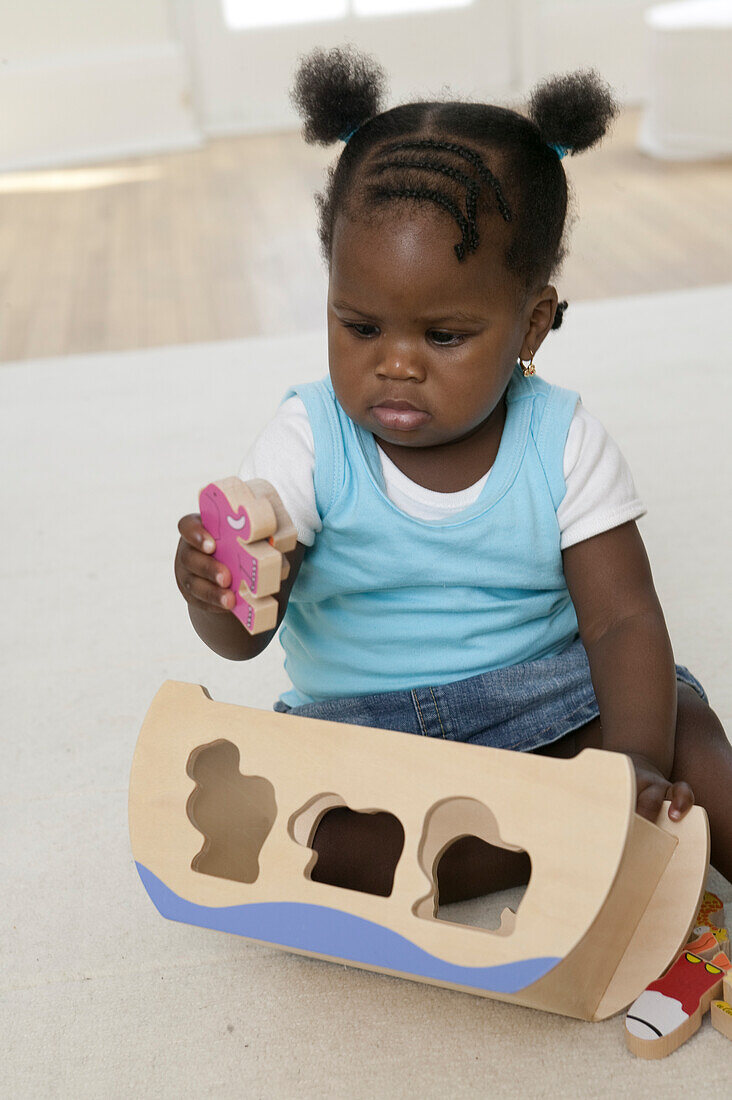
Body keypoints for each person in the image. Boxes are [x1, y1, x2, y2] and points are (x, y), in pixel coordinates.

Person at [175, 46, 732, 900]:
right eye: (359, 326)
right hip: (369, 737)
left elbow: (622, 623)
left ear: (532, 324)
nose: (395, 365)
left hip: (544, 707)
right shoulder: (308, 439)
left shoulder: (564, 440)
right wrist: (215, 593)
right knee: (307, 843)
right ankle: (557, 846)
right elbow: (246, 637)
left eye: (443, 337)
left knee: (690, 740)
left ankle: (581, 824)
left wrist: (632, 765)